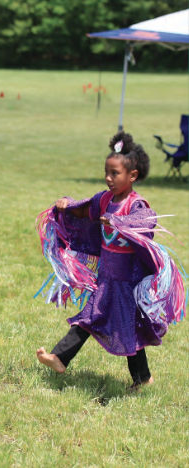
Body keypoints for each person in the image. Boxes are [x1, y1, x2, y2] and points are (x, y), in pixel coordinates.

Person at [34, 131, 185, 389]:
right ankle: (62, 358)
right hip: (107, 279)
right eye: (107, 172)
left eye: (115, 173)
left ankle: (140, 377)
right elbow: (84, 209)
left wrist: (119, 222)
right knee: (92, 320)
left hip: (126, 284)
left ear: (132, 176)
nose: (108, 178)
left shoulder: (135, 205)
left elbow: (145, 225)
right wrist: (66, 205)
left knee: (122, 329)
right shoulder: (105, 200)